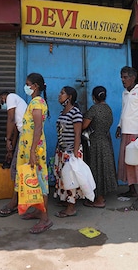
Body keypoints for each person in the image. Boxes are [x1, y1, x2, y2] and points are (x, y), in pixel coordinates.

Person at [17, 73, 53, 234]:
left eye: (27, 84)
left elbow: (38, 128)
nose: (25, 86)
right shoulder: (33, 102)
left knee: (39, 181)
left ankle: (45, 219)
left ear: (35, 86)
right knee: (32, 179)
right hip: (28, 148)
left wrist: (32, 151)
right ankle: (38, 210)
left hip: (35, 149)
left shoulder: (37, 102)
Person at [116, 66, 138, 210]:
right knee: (126, 161)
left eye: (125, 77)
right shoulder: (125, 93)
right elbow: (124, 111)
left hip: (135, 133)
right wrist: (119, 125)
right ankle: (132, 189)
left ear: (133, 77)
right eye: (121, 77)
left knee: (136, 163)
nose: (123, 80)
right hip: (125, 132)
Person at [82, 86, 117, 208]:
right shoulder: (108, 109)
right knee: (103, 169)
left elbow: (84, 125)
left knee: (96, 169)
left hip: (95, 143)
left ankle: (99, 199)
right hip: (106, 141)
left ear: (93, 97)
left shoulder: (94, 109)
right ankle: (101, 196)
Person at [0, 90, 27, 217]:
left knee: (17, 169)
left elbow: (11, 119)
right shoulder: (17, 102)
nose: (4, 105)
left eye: (1, 102)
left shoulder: (11, 97)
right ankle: (18, 200)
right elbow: (15, 128)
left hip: (26, 137)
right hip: (24, 136)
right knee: (17, 167)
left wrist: (7, 140)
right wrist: (11, 148)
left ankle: (15, 202)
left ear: (2, 97)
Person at [53, 86, 84, 217]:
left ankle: (71, 208)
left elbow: (78, 134)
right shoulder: (63, 112)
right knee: (62, 176)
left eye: (62, 93)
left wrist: (75, 153)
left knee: (71, 179)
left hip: (71, 151)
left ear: (69, 97)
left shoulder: (75, 112)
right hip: (61, 150)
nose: (59, 95)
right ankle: (66, 201)